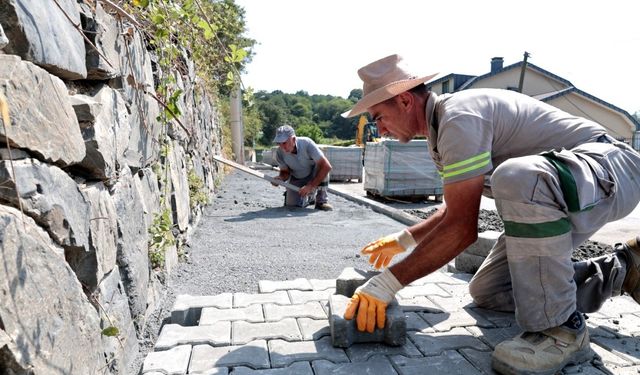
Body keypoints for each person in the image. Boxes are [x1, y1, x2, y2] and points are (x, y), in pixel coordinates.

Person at [341, 54, 640, 375]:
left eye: (378, 116)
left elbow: (461, 230)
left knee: (517, 176)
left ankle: (561, 330)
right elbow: (455, 213)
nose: (378, 127)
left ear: (403, 100)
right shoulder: (439, 129)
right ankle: (624, 270)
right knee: (489, 291)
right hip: (559, 190)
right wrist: (404, 239)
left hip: (611, 168)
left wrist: (387, 284)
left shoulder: (458, 117)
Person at [272, 125, 333, 211]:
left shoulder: (307, 143)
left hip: (313, 175)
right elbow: (285, 173)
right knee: (292, 205)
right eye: (279, 143)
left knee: (322, 168)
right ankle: (309, 199)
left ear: (293, 139)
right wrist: (280, 178)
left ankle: (321, 201)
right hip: (296, 178)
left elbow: (326, 166)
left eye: (284, 143)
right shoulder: (279, 153)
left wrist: (310, 186)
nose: (282, 147)